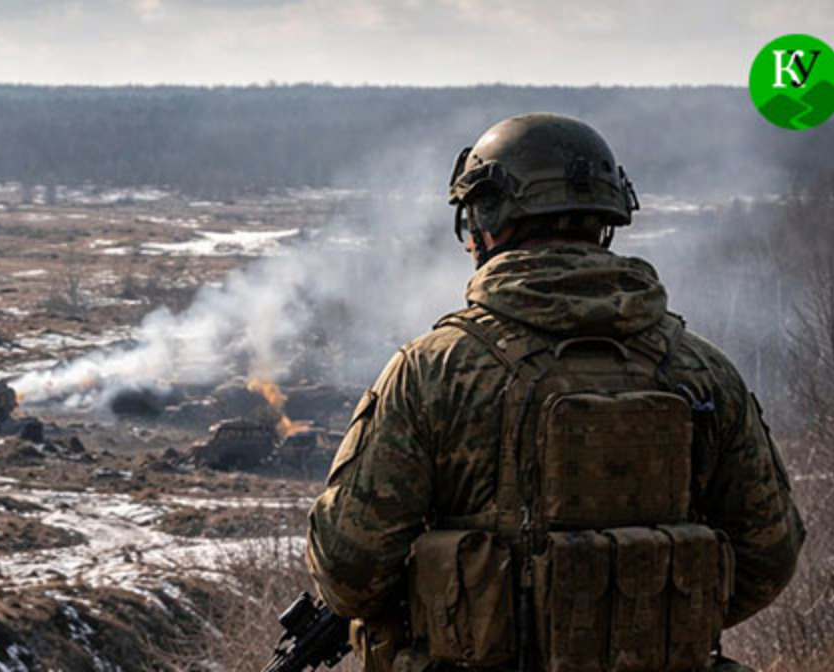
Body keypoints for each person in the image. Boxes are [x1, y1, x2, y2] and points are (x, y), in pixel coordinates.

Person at [306, 113, 804, 672]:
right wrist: (645, 626)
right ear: (606, 221)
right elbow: (769, 555)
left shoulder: (432, 371)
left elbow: (348, 570)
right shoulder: (703, 371)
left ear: (487, 219)